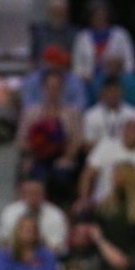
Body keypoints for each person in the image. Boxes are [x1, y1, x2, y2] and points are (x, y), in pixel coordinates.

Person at [17, 69, 82, 203]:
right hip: (36, 159)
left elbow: (77, 140)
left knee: (61, 174)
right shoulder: (31, 113)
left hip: (62, 158)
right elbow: (20, 141)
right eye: (50, 87)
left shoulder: (72, 113)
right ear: (43, 87)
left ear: (62, 88)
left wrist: (67, 156)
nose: (53, 91)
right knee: (39, 174)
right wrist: (36, 148)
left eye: (56, 87)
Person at [79, 116, 135, 206]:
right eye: (131, 130)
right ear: (124, 131)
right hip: (103, 203)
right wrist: (84, 199)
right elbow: (88, 174)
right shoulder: (106, 145)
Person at [71, 0, 135, 84]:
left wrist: (118, 69)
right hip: (90, 80)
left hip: (118, 79)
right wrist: (85, 75)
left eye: (102, 14)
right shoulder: (82, 37)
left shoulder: (121, 34)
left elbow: (130, 63)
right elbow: (76, 65)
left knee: (132, 81)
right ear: (90, 17)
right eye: (96, 15)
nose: (99, 17)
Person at [0, 178, 68, 253]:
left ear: (43, 194)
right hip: (16, 256)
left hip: (47, 257)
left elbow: (57, 244)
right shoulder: (10, 212)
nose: (33, 196)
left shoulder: (56, 214)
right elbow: (4, 239)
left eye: (36, 193)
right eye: (30, 193)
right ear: (23, 194)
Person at [82, 76, 135, 152]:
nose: (112, 95)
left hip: (128, 153)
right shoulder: (91, 115)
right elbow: (87, 144)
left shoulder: (133, 113)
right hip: (100, 155)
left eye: (115, 91)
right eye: (109, 91)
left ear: (122, 92)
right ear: (102, 93)